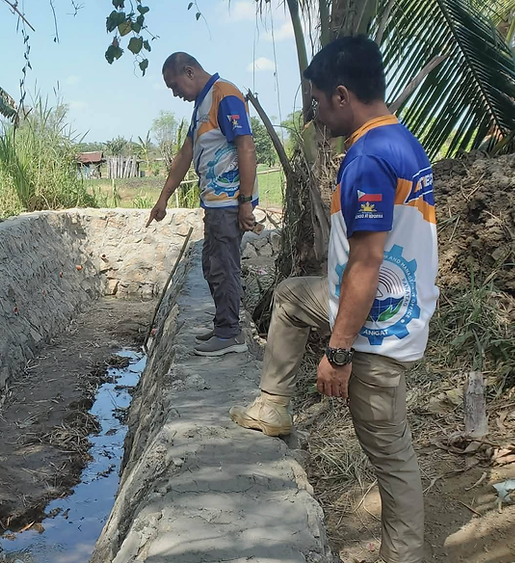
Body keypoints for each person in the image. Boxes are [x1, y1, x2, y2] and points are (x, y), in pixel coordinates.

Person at [229, 36, 439, 563]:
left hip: (375, 326)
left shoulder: (368, 157)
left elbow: (367, 262)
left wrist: (340, 350)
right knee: (291, 297)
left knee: (392, 459)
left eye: (318, 102)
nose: (316, 115)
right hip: (384, 302)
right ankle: (274, 404)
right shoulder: (402, 143)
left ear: (342, 95)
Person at [147, 52, 258, 357]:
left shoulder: (225, 95)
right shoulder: (202, 104)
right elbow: (186, 153)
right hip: (215, 203)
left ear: (189, 71)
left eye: (174, 85)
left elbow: (246, 147)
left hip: (229, 202)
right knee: (212, 265)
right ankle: (224, 325)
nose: (174, 93)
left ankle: (229, 333)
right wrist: (163, 198)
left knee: (224, 266)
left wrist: (245, 202)